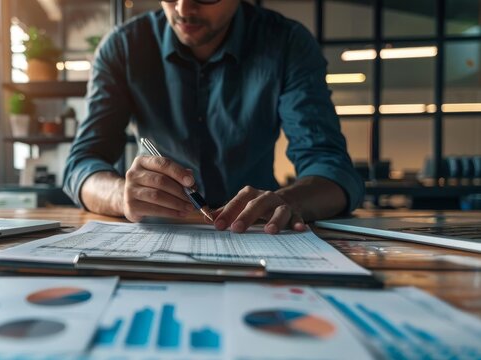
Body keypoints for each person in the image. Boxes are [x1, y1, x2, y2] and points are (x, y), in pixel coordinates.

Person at [62, 0, 364, 234]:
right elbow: (81, 165)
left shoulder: (287, 44)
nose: (183, 9)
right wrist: (121, 195)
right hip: (157, 234)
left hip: (258, 232)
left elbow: (332, 169)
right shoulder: (123, 47)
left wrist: (291, 201)